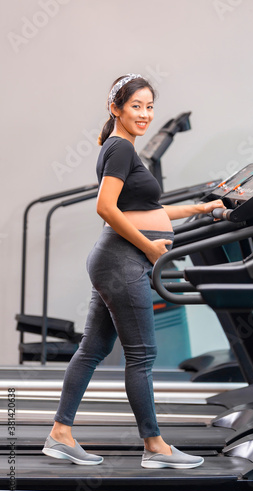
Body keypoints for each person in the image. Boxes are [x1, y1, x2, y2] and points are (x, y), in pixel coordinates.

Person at [42, 73, 224, 468]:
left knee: (92, 349)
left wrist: (201, 208)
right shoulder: (121, 150)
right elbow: (106, 208)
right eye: (136, 106)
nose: (145, 114)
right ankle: (155, 447)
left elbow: (143, 212)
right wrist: (149, 247)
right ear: (116, 109)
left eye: (149, 106)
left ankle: (60, 433)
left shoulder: (121, 148)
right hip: (123, 262)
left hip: (113, 260)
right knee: (141, 355)